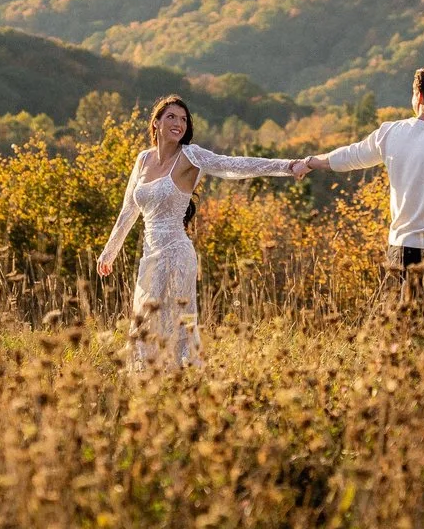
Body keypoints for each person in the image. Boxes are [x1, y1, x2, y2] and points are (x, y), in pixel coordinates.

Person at [97, 95, 300, 369]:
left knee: (176, 321)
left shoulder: (190, 157)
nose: (178, 123)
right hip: (150, 253)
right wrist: (109, 252)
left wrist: (287, 166)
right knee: (144, 318)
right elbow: (128, 209)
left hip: (177, 254)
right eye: (171, 117)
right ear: (155, 123)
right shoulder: (143, 159)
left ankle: (181, 378)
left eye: (183, 119)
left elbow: (236, 164)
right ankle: (147, 381)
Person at [296, 65, 424, 290]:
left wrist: (310, 162)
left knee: (398, 323)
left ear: (419, 96)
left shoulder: (391, 133)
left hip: (397, 252)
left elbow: (350, 156)